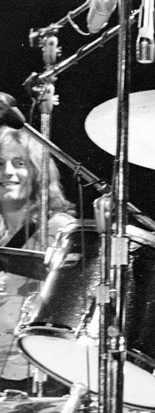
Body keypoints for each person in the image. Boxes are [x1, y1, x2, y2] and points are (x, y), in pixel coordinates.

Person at [0, 126, 75, 393]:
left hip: (42, 380)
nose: (8, 172)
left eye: (19, 163)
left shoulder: (60, 230)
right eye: (0, 164)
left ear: (37, 173)